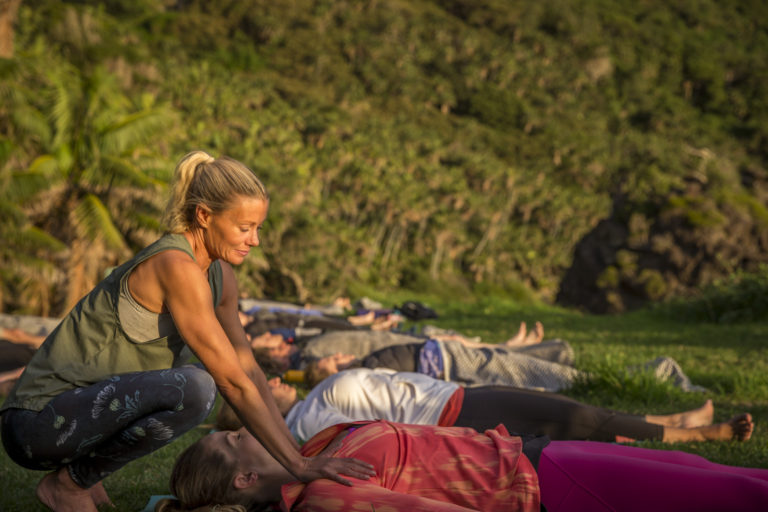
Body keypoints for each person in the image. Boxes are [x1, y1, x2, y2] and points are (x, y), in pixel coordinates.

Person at [0, 151, 373, 512]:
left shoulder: (219, 275)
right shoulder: (175, 266)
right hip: (35, 426)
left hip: (79, 416)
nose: (254, 240)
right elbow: (230, 382)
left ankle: (82, 473)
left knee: (195, 385)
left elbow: (248, 370)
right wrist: (300, 466)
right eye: (244, 228)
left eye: (258, 228)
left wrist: (300, 457)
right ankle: (69, 483)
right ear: (204, 215)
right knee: (195, 388)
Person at [156, 420, 768, 512]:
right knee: (738, 492)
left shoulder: (319, 449)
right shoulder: (325, 497)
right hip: (544, 486)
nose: (250, 426)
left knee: (705, 466)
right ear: (244, 478)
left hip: (534, 450)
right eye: (239, 437)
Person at [216, 368, 753, 445]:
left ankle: (673, 425)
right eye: (264, 384)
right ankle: (696, 435)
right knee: (580, 421)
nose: (274, 379)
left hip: (457, 402)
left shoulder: (307, 412)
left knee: (580, 420)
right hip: (458, 413)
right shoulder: (305, 421)